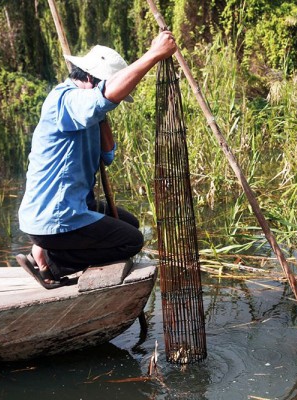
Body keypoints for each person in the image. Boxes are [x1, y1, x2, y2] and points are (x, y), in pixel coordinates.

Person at [16, 31, 177, 289]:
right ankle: (53, 261)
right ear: (91, 79)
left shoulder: (88, 110)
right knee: (131, 241)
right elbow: (103, 97)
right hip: (54, 217)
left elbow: (108, 154)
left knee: (129, 224)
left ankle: (50, 253)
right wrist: (154, 54)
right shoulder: (66, 100)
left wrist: (101, 116)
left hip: (75, 204)